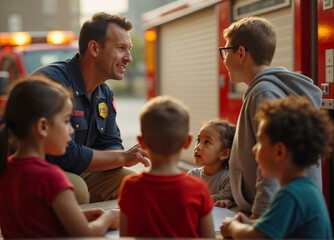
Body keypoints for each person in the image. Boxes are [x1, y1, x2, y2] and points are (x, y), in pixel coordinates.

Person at [32, 12, 149, 204]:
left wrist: (123, 156)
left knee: (133, 182)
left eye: (129, 49)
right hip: (32, 172)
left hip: (72, 170)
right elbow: (61, 155)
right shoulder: (53, 83)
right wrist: (122, 157)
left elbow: (111, 142)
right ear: (94, 48)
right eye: (121, 48)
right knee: (75, 188)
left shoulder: (104, 93)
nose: (128, 58)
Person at [220, 16, 322, 219]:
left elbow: (274, 163)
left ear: (240, 53)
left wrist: (258, 218)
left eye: (225, 52)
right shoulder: (264, 89)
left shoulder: (263, 92)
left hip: (275, 215)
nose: (223, 60)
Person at [0, 76, 120, 238]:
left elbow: (36, 220)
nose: (71, 130)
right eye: (65, 121)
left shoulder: (7, 170)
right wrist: (109, 217)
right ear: (43, 127)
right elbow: (84, 233)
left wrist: (78, 216)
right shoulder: (51, 178)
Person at [220, 96, 333, 239]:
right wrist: (249, 224)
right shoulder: (305, 188)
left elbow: (259, 237)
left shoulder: (290, 195)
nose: (254, 149)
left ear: (279, 152)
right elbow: (270, 228)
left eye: (260, 141)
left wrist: (233, 227)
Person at [118, 96, 215, 238]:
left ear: (142, 142)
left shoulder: (130, 186)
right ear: (187, 142)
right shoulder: (198, 188)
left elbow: (125, 236)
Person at [188, 119, 235, 208]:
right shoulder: (192, 175)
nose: (198, 147)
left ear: (224, 154)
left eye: (207, 142)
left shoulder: (229, 179)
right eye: (198, 140)